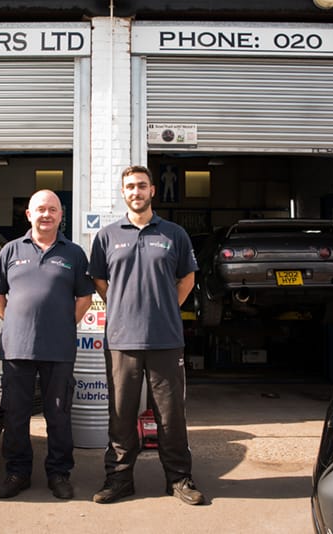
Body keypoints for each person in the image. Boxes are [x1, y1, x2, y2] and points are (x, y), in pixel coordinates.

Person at [89, 165, 205, 505]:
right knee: (120, 415)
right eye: (130, 187)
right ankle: (119, 480)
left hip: (165, 339)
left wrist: (165, 306)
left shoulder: (174, 234)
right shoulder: (107, 236)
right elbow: (99, 280)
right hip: (121, 341)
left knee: (171, 415)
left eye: (141, 186)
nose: (136, 192)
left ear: (152, 190)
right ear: (123, 193)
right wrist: (121, 306)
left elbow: (187, 278)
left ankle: (179, 479)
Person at [0, 189, 94, 500]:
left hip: (59, 349)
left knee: (58, 415)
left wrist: (61, 325)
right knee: (15, 415)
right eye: (40, 209)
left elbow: (84, 298)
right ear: (29, 214)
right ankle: (17, 472)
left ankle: (59, 473)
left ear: (61, 215)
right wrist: (15, 322)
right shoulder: (10, 250)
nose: (46, 214)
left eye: (53, 209)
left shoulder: (74, 254)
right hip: (16, 348)